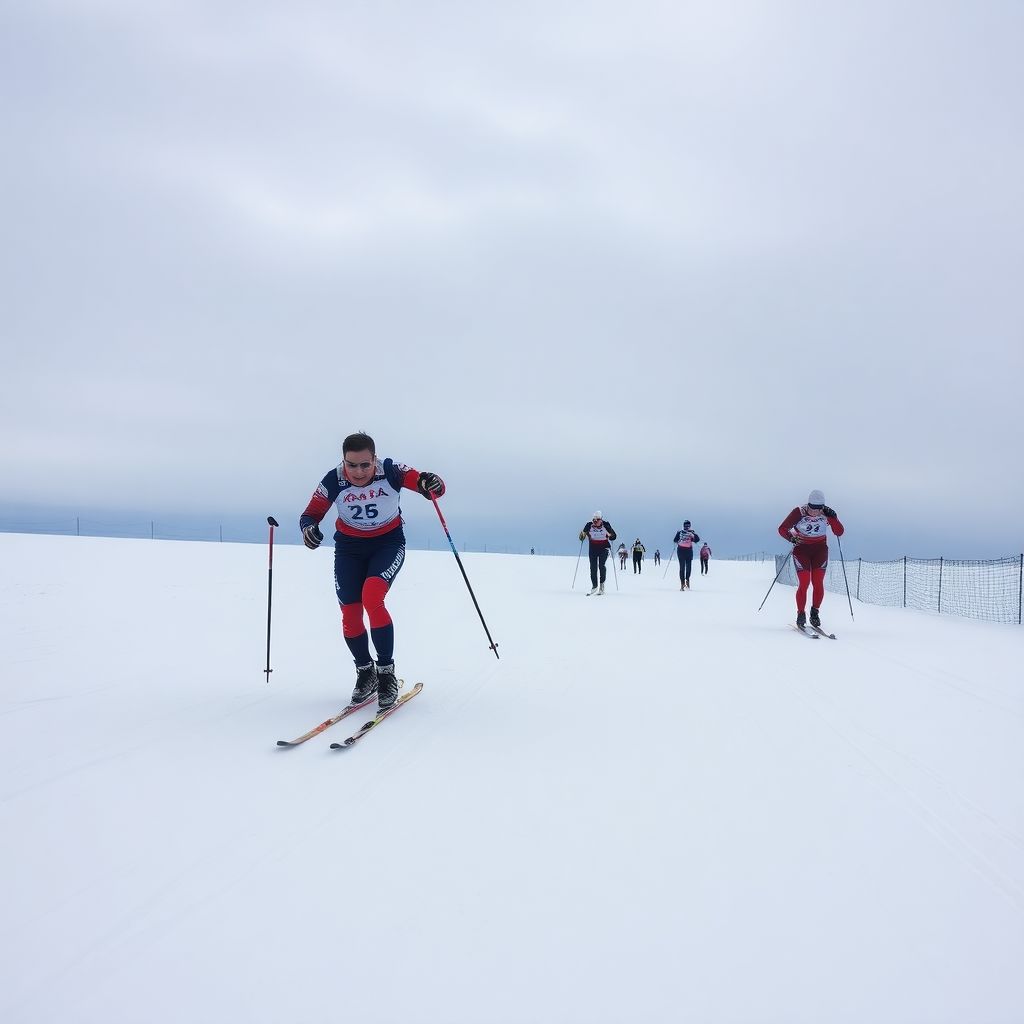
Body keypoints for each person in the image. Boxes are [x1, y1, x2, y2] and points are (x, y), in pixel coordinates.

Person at [299, 431, 445, 712]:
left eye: (365, 464)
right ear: (343, 461)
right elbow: (310, 514)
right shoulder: (333, 479)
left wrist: (432, 483)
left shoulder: (391, 470)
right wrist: (309, 530)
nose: (358, 471)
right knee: (350, 611)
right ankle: (366, 672)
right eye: (351, 465)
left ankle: (386, 673)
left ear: (374, 460)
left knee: (372, 597)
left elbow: (432, 488)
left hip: (387, 544)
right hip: (349, 549)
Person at [777, 489, 845, 629]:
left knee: (818, 582)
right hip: (801, 550)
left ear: (823, 507)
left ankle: (815, 612)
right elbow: (782, 528)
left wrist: (834, 518)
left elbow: (839, 532)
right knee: (804, 582)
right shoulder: (799, 512)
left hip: (819, 551)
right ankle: (801, 613)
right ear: (808, 504)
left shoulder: (827, 513)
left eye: (818, 509)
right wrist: (791, 538)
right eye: (812, 508)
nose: (814, 512)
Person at [579, 511, 617, 595]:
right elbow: (582, 537)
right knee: (593, 567)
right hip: (593, 549)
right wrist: (582, 534)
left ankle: (602, 586)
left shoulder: (606, 525)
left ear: (601, 519)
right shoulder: (589, 525)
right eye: (594, 520)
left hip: (604, 548)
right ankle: (594, 585)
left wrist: (610, 534)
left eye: (597, 519)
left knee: (601, 565)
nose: (595, 521)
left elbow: (614, 536)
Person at [673, 520, 700, 590]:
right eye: (686, 526)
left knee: (689, 567)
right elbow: (675, 540)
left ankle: (687, 580)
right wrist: (678, 539)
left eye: (688, 526)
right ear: (683, 526)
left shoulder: (692, 532)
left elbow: (697, 540)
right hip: (681, 551)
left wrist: (693, 535)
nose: (687, 527)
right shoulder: (680, 532)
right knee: (682, 567)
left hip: (689, 551)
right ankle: (682, 583)